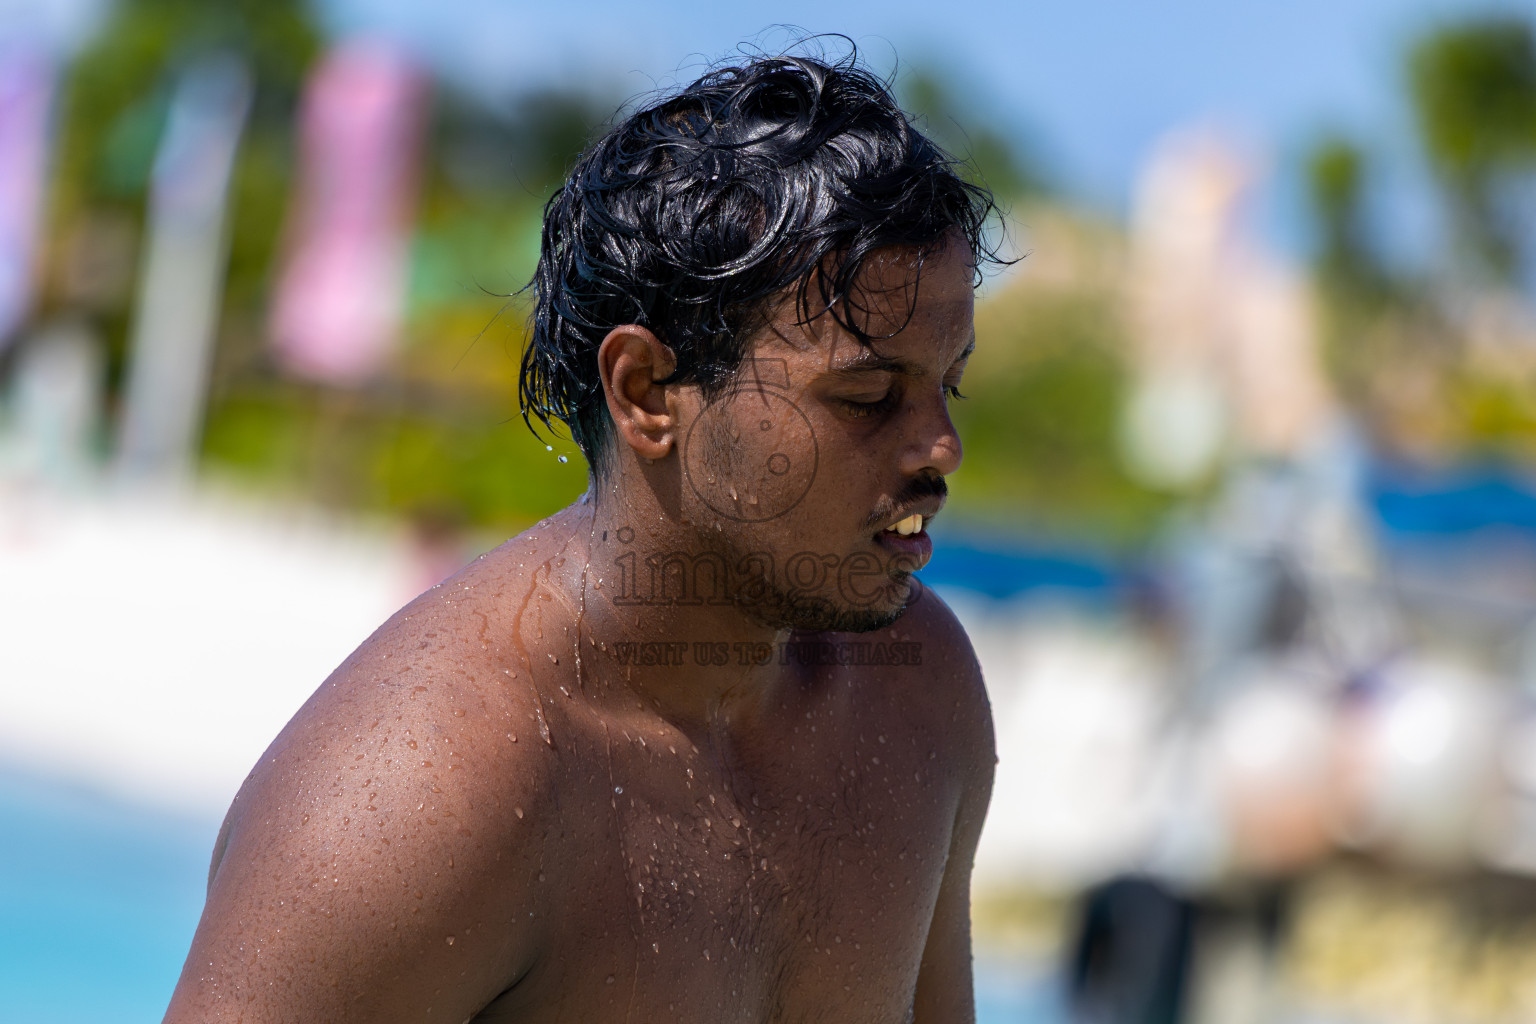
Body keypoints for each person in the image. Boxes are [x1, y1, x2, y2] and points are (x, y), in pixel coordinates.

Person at [164, 48, 1000, 1023]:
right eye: (867, 396)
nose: (939, 447)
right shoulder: (426, 796)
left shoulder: (916, 693)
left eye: (949, 384)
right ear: (647, 391)